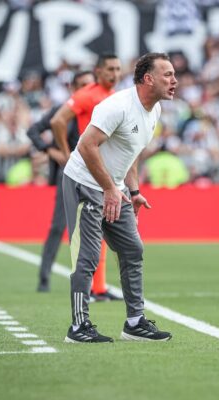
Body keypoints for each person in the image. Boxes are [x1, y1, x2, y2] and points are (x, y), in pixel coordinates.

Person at [61, 52, 177, 343]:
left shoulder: (155, 110)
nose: (175, 80)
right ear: (148, 79)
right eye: (168, 75)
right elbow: (87, 146)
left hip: (116, 189)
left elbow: (130, 152)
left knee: (133, 249)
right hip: (83, 183)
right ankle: (78, 327)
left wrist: (133, 190)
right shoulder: (117, 106)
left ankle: (135, 323)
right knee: (87, 257)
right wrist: (110, 189)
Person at [51, 53, 123, 301]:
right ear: (98, 72)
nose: (115, 74)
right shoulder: (86, 94)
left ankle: (99, 288)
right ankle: (86, 291)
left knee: (102, 229)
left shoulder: (113, 97)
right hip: (87, 170)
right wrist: (65, 153)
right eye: (110, 69)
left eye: (118, 69)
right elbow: (58, 121)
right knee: (86, 232)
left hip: (104, 169)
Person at [26, 70, 95, 292]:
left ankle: (96, 284)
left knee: (95, 229)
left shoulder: (99, 110)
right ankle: (44, 278)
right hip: (68, 174)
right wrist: (52, 152)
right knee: (59, 226)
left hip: (94, 173)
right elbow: (33, 130)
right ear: (73, 89)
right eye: (83, 85)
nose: (88, 89)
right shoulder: (62, 111)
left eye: (90, 85)